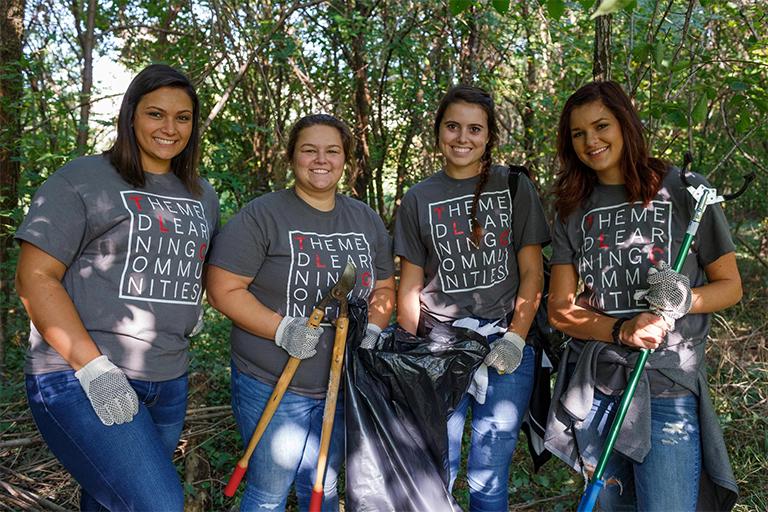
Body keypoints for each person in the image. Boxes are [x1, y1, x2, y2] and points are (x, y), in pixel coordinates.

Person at [15, 64, 220, 511]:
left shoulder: (201, 193)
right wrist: (94, 370)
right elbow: (34, 277)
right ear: (130, 116)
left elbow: (210, 270)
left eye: (182, 117)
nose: (170, 128)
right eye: (155, 113)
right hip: (81, 375)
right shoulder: (82, 179)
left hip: (168, 377)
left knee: (111, 502)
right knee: (158, 504)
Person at [545, 81, 741, 511]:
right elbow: (559, 310)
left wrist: (685, 299)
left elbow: (730, 286)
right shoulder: (572, 205)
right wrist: (622, 329)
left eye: (601, 126)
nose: (591, 141)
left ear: (625, 124)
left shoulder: (683, 190)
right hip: (599, 386)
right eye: (578, 133)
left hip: (666, 382)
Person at [205, 113, 395, 512]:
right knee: (269, 492)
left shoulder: (365, 219)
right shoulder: (263, 215)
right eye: (309, 150)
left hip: (341, 383)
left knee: (323, 485)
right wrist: (282, 329)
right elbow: (223, 289)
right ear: (292, 157)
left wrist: (374, 331)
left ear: (347, 160)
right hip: (273, 380)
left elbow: (382, 287)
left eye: (332, 151)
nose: (320, 160)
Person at [394, 85, 551, 511]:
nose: (462, 137)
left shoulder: (514, 186)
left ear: (489, 135)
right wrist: (408, 357)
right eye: (452, 126)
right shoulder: (418, 198)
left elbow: (532, 270)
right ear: (438, 131)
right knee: (433, 471)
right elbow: (409, 285)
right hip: (438, 346)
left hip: (505, 346)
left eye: (474, 129)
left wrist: (516, 337)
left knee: (488, 478)